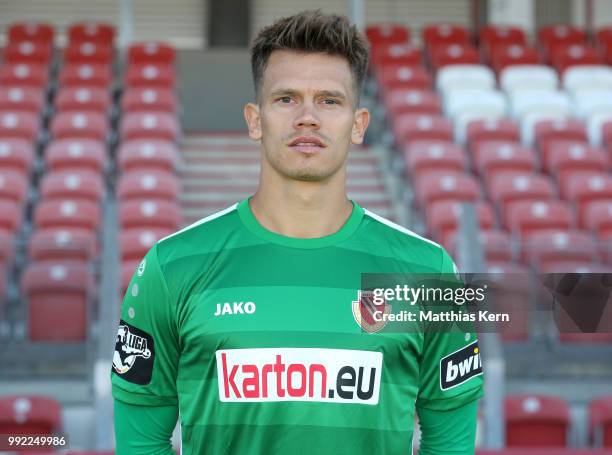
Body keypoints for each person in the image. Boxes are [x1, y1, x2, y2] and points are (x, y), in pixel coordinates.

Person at [112, 10, 484, 454]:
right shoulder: (170, 266)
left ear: (359, 124)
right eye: (286, 98)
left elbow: (451, 445)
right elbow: (141, 443)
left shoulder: (431, 271)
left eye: (329, 100)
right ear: (255, 119)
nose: (307, 117)